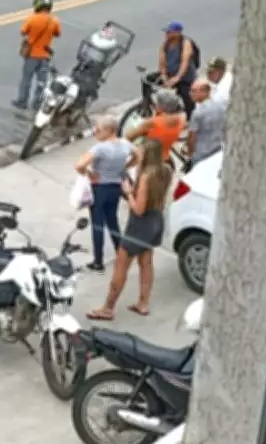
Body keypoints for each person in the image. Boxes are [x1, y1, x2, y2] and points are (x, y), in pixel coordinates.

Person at [88, 138, 172, 320]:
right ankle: (143, 303)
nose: (137, 156)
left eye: (140, 154)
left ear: (147, 156)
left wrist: (127, 192)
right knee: (146, 262)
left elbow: (139, 209)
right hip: (156, 221)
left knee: (121, 267)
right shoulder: (165, 170)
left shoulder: (145, 177)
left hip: (139, 225)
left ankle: (108, 308)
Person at [75, 114, 138, 273]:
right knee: (112, 221)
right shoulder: (125, 144)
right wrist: (125, 167)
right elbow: (138, 156)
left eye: (98, 129)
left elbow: (79, 165)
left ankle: (98, 261)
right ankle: (121, 251)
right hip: (115, 187)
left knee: (97, 225)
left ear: (110, 130)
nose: (95, 132)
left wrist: (89, 173)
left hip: (99, 188)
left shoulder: (100, 148)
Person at [12, 0, 61, 111]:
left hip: (31, 56)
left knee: (26, 80)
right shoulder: (55, 21)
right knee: (42, 82)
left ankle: (22, 102)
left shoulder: (31, 18)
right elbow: (57, 34)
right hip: (45, 56)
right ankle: (37, 104)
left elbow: (23, 32)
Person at [123, 89, 187, 170]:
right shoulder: (181, 120)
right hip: (165, 159)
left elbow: (129, 137)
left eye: (157, 103)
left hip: (148, 160)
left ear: (160, 107)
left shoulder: (153, 122)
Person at [157, 21, 198, 119]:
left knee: (188, 101)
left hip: (185, 77)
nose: (167, 34)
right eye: (166, 32)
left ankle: (190, 121)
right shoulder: (165, 44)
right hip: (170, 75)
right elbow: (162, 63)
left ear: (178, 33)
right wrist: (164, 77)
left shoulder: (185, 43)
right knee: (148, 81)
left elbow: (185, 62)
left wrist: (177, 78)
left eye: (169, 32)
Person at [186, 78, 227, 169]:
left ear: (204, 92)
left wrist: (189, 154)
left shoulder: (198, 113)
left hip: (201, 156)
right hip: (217, 151)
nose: (190, 94)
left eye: (193, 91)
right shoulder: (222, 104)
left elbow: (192, 138)